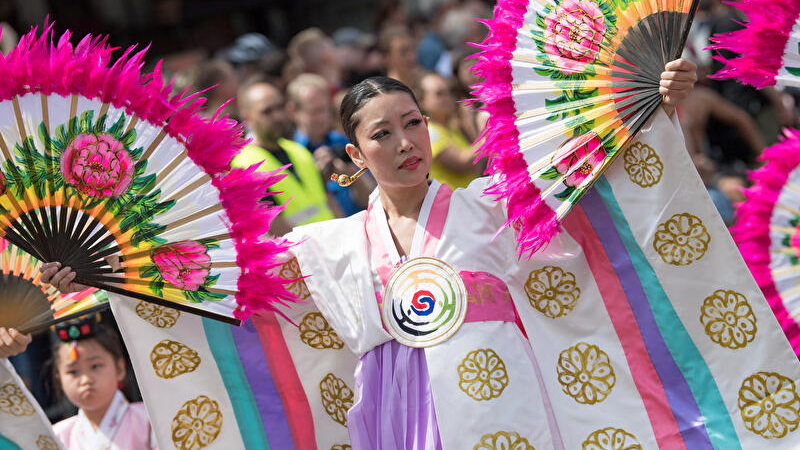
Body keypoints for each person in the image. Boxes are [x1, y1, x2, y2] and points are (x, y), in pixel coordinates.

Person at [47, 65, 782, 450]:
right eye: (382, 134)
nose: (405, 143)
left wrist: (650, 103)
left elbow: (590, 171)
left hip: (506, 405)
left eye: (414, 123)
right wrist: (104, 268)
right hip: (396, 417)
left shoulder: (489, 205)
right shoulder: (330, 245)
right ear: (353, 154)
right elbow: (220, 274)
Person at [0, 316, 157, 450]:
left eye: (95, 366)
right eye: (73, 372)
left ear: (120, 368)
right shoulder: (56, 435)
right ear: (59, 379)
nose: (85, 379)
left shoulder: (151, 420)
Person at [235, 79, 337, 234]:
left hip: (332, 239)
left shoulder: (298, 150)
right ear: (246, 116)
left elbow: (327, 200)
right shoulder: (244, 166)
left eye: (279, 107)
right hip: (301, 247)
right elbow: (272, 226)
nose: (277, 116)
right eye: (267, 111)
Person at [287, 73, 375, 214]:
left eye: (325, 109)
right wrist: (316, 181)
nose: (322, 117)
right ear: (293, 111)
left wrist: (352, 174)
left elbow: (373, 199)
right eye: (314, 111)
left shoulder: (345, 142)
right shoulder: (289, 154)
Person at [417, 71, 483, 189]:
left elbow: (476, 165)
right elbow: (461, 163)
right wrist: (488, 139)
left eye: (449, 92)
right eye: (439, 93)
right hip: (453, 199)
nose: (447, 98)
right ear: (422, 101)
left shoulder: (452, 128)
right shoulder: (430, 132)